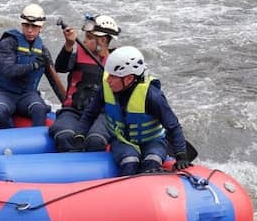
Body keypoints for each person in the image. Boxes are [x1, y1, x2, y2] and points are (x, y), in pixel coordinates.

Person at [77, 46, 191, 176]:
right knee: (129, 161)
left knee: (152, 161)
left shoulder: (152, 96)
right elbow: (90, 114)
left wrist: (181, 154)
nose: (108, 80)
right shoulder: (106, 89)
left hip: (153, 141)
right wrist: (80, 133)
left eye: (113, 77)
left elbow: (173, 126)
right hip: (122, 140)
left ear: (129, 79)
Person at [49, 14, 120, 152]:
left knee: (96, 140)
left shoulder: (117, 63)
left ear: (103, 40)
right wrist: (68, 45)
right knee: (64, 135)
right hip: (73, 111)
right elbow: (61, 67)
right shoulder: (77, 55)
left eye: (89, 38)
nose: (84, 41)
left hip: (102, 115)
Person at [0, 3, 55, 128]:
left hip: (28, 95)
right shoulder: (8, 43)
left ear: (41, 28)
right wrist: (34, 65)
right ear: (22, 25)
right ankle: (10, 139)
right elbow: (9, 70)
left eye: (34, 26)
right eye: (26, 25)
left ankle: (36, 142)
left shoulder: (43, 52)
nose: (29, 30)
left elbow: (54, 80)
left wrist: (67, 105)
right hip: (4, 93)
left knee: (40, 109)